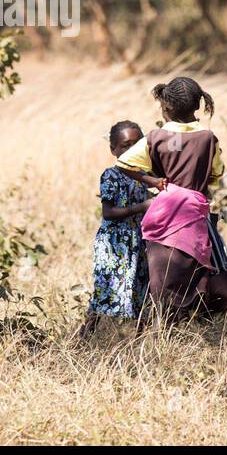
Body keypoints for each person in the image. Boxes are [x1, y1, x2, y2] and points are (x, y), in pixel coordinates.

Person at [116, 76, 227, 320]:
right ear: (197, 106)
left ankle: (162, 318)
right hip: (193, 211)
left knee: (160, 267)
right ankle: (198, 311)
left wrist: (153, 181)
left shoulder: (156, 137)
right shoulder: (207, 138)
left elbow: (124, 163)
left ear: (166, 107)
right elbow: (217, 172)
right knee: (198, 262)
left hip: (164, 211)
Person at [82, 121, 152, 332]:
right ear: (113, 149)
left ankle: (139, 338)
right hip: (115, 243)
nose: (131, 150)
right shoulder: (111, 175)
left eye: (136, 144)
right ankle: (87, 333)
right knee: (105, 290)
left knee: (141, 288)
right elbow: (109, 212)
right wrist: (142, 207)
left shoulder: (147, 175)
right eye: (125, 145)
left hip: (139, 240)